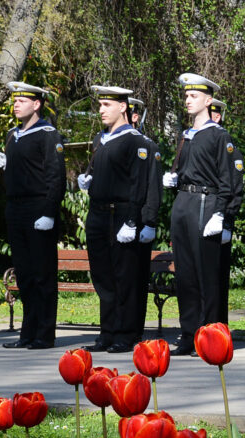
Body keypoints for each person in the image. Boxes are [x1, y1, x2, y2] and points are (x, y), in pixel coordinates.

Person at [162, 73, 235, 356]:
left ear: (208, 100)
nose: (188, 100)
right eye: (186, 96)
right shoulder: (186, 135)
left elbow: (227, 180)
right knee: (185, 274)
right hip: (184, 202)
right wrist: (174, 179)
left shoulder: (218, 135)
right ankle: (189, 332)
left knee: (207, 275)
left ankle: (210, 334)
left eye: (194, 96)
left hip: (206, 204)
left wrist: (220, 214)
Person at [0, 82, 65, 350]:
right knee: (24, 274)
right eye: (15, 101)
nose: (16, 105)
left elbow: (55, 177)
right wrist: (4, 168)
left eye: (22, 101)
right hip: (16, 208)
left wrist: (49, 212)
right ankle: (28, 333)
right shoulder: (12, 135)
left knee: (42, 274)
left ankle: (44, 335)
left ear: (36, 104)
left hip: (38, 208)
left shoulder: (47, 134)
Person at [78, 85, 149, 353]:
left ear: (122, 107)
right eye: (100, 105)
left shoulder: (134, 140)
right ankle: (107, 332)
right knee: (103, 277)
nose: (101, 110)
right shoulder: (101, 139)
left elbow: (138, 184)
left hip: (121, 213)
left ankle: (125, 333)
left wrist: (131, 221)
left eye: (107, 105)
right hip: (98, 213)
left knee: (124, 277)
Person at [128, 97, 163, 342]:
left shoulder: (147, 146)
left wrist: (149, 222)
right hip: (114, 218)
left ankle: (133, 328)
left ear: (135, 117)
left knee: (136, 277)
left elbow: (153, 187)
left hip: (139, 220)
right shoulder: (102, 141)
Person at [209, 98, 243, 323]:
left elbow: (235, 189)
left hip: (221, 221)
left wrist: (228, 223)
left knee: (218, 277)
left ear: (217, 116)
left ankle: (219, 324)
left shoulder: (230, 150)